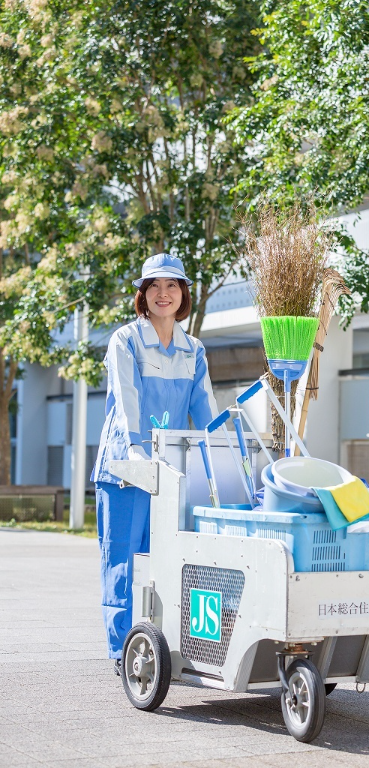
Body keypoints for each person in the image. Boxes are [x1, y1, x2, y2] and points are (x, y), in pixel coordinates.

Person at [92, 252, 217, 673]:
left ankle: (159, 648)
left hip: (169, 475)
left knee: (164, 562)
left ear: (184, 294)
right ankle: (121, 651)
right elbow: (128, 403)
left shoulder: (194, 350)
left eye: (173, 285)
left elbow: (206, 412)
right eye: (155, 286)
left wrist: (222, 458)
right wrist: (136, 451)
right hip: (125, 471)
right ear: (142, 296)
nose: (164, 294)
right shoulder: (125, 340)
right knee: (124, 560)